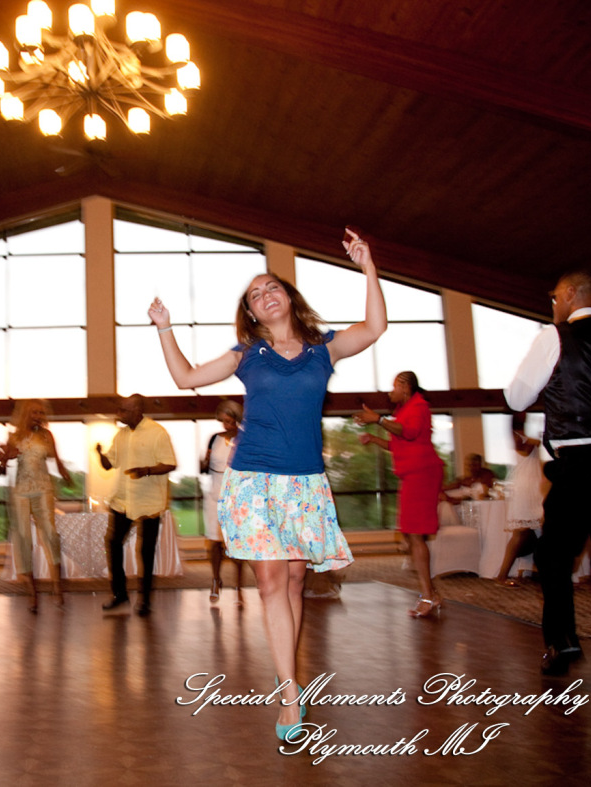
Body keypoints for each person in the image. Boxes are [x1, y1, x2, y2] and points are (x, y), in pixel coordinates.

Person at [147, 226, 385, 741]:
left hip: (304, 484)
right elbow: (185, 378)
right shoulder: (247, 354)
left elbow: (374, 326)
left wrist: (368, 266)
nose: (264, 294)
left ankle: (288, 675)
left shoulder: (324, 349)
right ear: (252, 314)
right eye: (254, 295)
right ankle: (289, 692)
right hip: (253, 480)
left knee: (296, 580)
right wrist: (164, 327)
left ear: (288, 298)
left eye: (271, 286)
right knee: (273, 582)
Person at [505, 271, 591, 683]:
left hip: (577, 466)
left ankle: (562, 642)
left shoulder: (554, 337)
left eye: (554, 296)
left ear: (572, 295)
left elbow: (516, 396)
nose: (552, 303)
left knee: (552, 556)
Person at [354, 371, 445, 617]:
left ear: (406, 388)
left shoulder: (419, 406)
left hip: (422, 474)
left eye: (394, 387)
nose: (389, 392)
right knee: (411, 535)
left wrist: (378, 420)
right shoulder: (403, 412)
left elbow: (410, 432)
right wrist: (374, 438)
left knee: (415, 536)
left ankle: (428, 596)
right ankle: (431, 593)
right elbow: (398, 443)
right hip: (412, 475)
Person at [95, 394, 177, 617]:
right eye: (119, 409)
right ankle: (119, 594)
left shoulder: (157, 432)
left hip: (149, 500)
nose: (119, 414)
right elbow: (108, 464)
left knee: (146, 550)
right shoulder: (120, 435)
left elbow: (170, 463)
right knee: (113, 543)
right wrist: (100, 454)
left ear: (137, 410)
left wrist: (146, 470)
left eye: (124, 410)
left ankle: (145, 600)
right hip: (122, 499)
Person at [0, 399, 71, 612]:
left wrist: (65, 475)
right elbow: (4, 463)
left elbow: (57, 461)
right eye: (34, 412)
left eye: (41, 412)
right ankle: (32, 593)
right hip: (20, 490)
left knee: (50, 532)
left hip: (43, 487)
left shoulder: (47, 436)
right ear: (26, 414)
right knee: (22, 536)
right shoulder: (15, 436)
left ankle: (58, 584)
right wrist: (3, 459)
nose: (38, 416)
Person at [200, 399, 247, 605]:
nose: (225, 425)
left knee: (236, 543)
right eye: (223, 421)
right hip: (214, 493)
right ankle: (216, 580)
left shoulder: (245, 439)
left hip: (236, 494)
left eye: (229, 421)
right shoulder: (214, 439)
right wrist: (204, 462)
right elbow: (203, 470)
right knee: (214, 542)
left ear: (237, 420)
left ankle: (239, 586)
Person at [494, 412, 543, 587]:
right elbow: (525, 448)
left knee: (536, 531)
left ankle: (538, 570)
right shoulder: (517, 437)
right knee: (519, 533)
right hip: (525, 489)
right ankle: (502, 576)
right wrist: (536, 439)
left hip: (534, 486)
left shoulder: (523, 436)